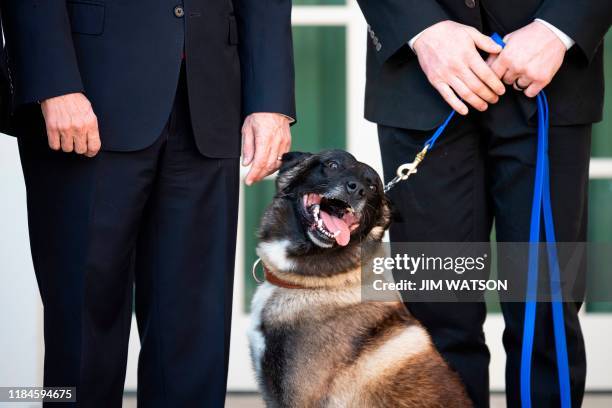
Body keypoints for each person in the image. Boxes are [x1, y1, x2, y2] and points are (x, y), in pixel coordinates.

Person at [1, 0, 294, 406]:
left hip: (209, 99)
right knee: (81, 334)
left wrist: (270, 97)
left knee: (194, 335)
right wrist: (53, 81)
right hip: (87, 90)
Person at [355, 0, 611, 407]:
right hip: (419, 81)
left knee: (545, 312)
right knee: (436, 311)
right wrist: (422, 29)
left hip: (549, 80)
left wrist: (559, 27)